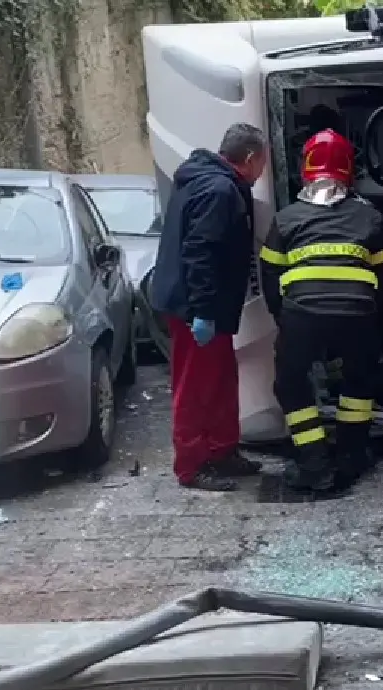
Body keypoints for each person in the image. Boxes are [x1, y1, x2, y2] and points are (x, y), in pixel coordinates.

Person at [258, 129, 383, 495]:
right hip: (358, 313)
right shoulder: (370, 219)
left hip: (301, 314)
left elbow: (269, 271)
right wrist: (371, 314)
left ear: (305, 169)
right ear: (350, 169)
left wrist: (283, 316)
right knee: (359, 380)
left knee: (291, 382)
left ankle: (314, 463)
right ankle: (352, 455)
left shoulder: (286, 218)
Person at [151, 123, 269, 492]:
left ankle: (222, 451)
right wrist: (202, 311)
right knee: (195, 386)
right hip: (196, 308)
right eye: (263, 162)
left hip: (207, 305)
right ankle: (191, 466)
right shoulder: (219, 191)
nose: (263, 170)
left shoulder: (208, 181)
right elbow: (199, 253)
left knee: (219, 380)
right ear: (250, 159)